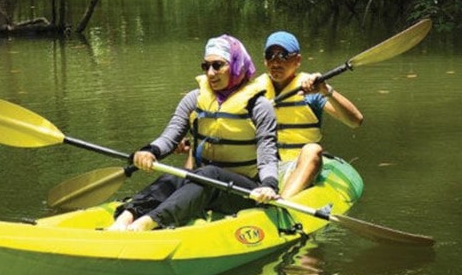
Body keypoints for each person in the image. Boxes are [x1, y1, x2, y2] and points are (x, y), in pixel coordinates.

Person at [109, 35, 279, 232]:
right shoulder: (194, 99)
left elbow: (267, 155)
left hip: (244, 190)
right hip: (201, 181)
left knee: (209, 174)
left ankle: (148, 222)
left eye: (218, 65)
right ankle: (126, 217)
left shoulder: (259, 106)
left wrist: (269, 185)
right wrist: (150, 152)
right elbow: (170, 136)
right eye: (205, 66)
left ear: (236, 65)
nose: (211, 73)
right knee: (176, 177)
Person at [257, 31, 363, 198]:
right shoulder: (254, 92)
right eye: (270, 55)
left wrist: (325, 90)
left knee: (313, 149)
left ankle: (282, 202)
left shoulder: (311, 92)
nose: (276, 61)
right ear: (264, 60)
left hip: (297, 165)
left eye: (283, 55)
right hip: (263, 166)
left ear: (297, 60)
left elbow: (355, 121)